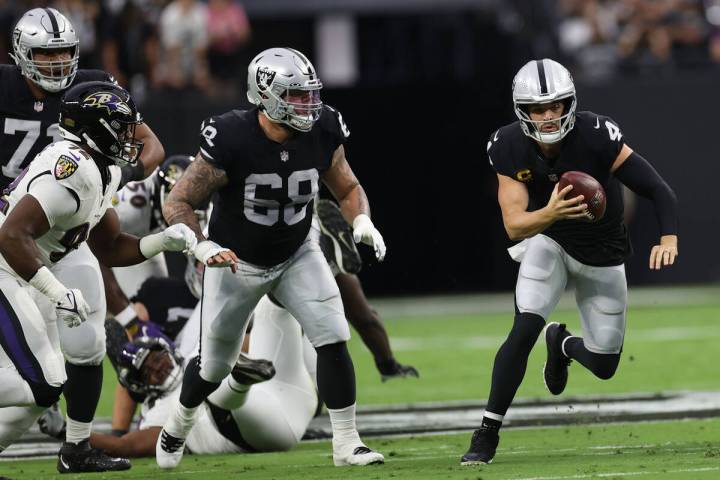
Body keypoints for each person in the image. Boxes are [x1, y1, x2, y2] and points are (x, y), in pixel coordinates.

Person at [157, 47, 386, 469]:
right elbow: (178, 202)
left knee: (333, 334)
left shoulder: (324, 129)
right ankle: (178, 421)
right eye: (297, 97)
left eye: (310, 95)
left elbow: (348, 188)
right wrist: (201, 244)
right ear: (266, 95)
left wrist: (362, 222)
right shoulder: (231, 137)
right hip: (234, 261)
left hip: (297, 251)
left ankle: (346, 442)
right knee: (214, 365)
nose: (309, 105)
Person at [461, 58, 678, 465]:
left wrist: (668, 237)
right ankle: (486, 432)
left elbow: (659, 189)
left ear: (569, 104)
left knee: (604, 364)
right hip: (551, 242)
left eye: (556, 106)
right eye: (538, 109)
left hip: (604, 254)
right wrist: (553, 213)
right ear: (522, 111)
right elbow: (514, 226)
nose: (548, 116)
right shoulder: (507, 145)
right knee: (523, 327)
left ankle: (561, 343)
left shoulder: (597, 135)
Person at [0, 80, 196, 472]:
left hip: (51, 254)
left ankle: (76, 450)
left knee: (86, 348)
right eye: (122, 126)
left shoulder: (102, 168)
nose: (130, 135)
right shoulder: (70, 171)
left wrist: (162, 242)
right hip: (7, 264)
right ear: (97, 127)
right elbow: (10, 235)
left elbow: (108, 246)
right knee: (45, 382)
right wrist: (56, 291)